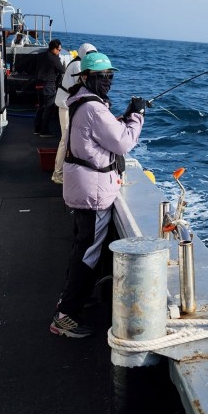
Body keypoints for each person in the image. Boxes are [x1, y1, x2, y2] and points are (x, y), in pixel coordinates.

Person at [51, 51, 147, 338]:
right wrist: (137, 117)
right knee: (87, 253)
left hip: (85, 188)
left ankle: (69, 301)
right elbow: (122, 142)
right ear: (86, 78)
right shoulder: (93, 108)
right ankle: (65, 316)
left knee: (82, 247)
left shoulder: (84, 102)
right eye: (101, 77)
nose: (107, 81)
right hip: (92, 193)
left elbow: (101, 133)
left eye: (110, 76)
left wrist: (124, 116)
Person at [51, 42, 98, 184]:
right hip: (66, 105)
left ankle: (64, 171)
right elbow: (83, 87)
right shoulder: (79, 66)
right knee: (65, 140)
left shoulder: (78, 63)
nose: (91, 57)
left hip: (68, 104)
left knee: (68, 140)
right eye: (89, 54)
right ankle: (57, 174)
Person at [33, 39, 64, 136]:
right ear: (54, 49)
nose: (59, 51)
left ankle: (37, 129)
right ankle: (44, 131)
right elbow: (62, 70)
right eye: (59, 50)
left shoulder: (42, 55)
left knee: (41, 107)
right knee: (49, 108)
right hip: (48, 86)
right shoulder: (54, 58)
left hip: (38, 85)